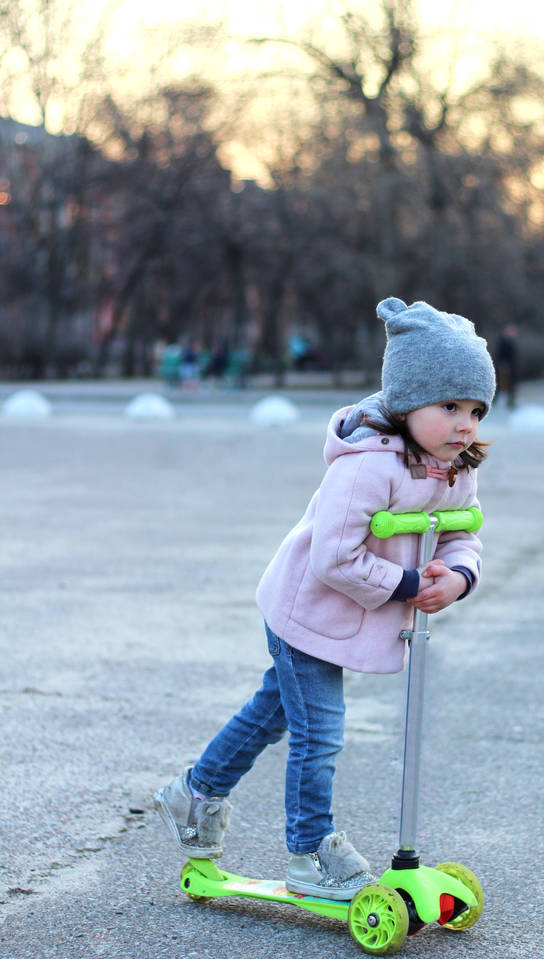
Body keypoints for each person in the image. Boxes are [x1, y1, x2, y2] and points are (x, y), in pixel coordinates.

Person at [154, 297, 496, 900]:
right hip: (306, 612)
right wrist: (410, 585)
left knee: (273, 712)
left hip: (348, 619)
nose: (465, 424)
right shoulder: (366, 467)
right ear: (408, 401)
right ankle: (309, 852)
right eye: (450, 407)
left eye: (475, 409)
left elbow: (463, 529)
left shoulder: (453, 466)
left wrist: (459, 576)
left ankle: (194, 794)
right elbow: (334, 558)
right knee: (321, 733)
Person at [494, 323, 519, 408]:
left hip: (511, 367)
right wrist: (503, 364)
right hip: (505, 367)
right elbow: (500, 354)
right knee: (501, 384)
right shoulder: (503, 341)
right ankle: (495, 401)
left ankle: (510, 402)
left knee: (511, 385)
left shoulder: (511, 341)